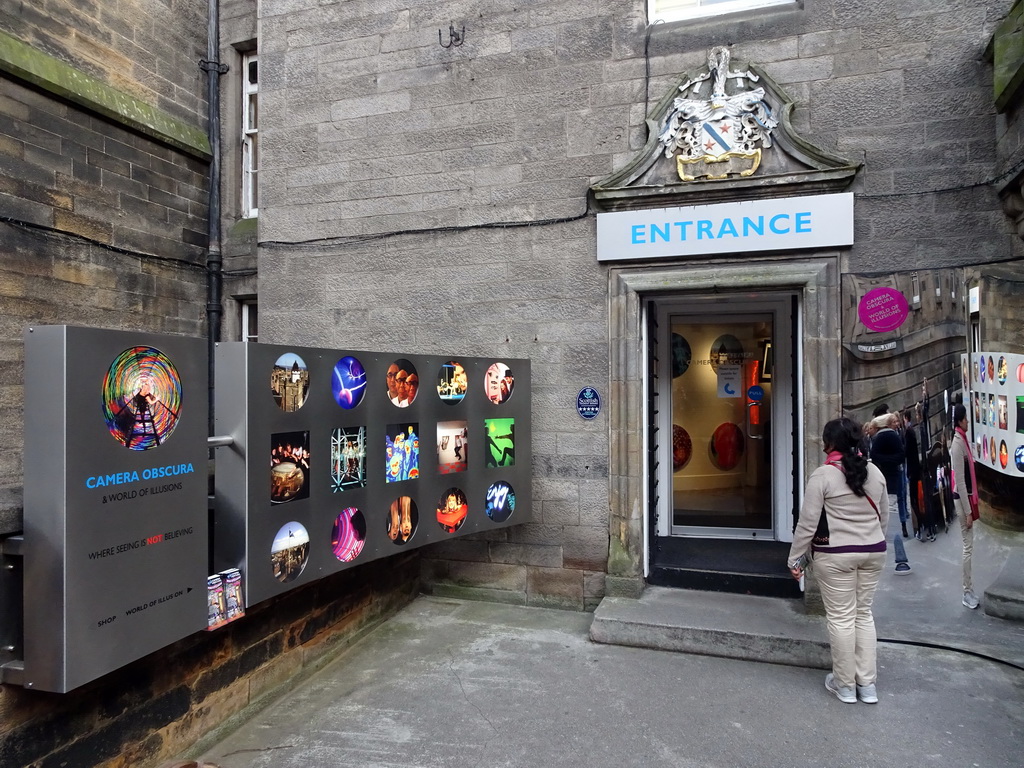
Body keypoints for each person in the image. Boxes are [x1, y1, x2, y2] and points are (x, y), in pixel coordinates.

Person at [787, 417, 888, 704]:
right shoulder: (875, 473)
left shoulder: (823, 476)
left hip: (836, 556)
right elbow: (884, 517)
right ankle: (867, 686)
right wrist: (874, 543)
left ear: (829, 444)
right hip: (873, 551)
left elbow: (807, 523)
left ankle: (844, 685)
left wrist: (795, 559)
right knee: (863, 614)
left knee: (842, 618)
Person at [867, 413, 912, 574]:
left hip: (881, 477)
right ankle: (900, 556)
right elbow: (901, 456)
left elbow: (874, 456)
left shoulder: (879, 438)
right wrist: (891, 462)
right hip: (894, 476)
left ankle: (884, 547)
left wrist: (883, 462)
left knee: (883, 511)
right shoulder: (892, 437)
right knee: (894, 508)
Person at [949, 404, 981, 609]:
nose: (968, 421)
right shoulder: (957, 445)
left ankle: (968, 589)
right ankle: (966, 591)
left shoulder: (962, 441)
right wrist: (969, 512)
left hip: (964, 499)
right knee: (967, 547)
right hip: (962, 501)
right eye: (966, 419)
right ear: (960, 421)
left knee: (968, 546)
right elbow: (959, 482)